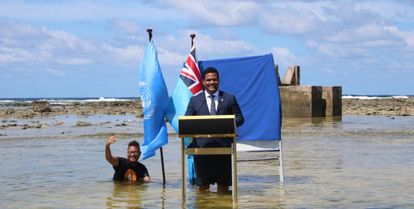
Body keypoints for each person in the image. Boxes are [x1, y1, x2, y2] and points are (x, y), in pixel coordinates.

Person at [185, 67, 244, 193]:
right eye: (209, 80)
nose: (212, 82)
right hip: (201, 150)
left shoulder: (229, 98)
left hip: (223, 150)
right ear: (203, 82)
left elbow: (240, 118)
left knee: (223, 189)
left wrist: (228, 124)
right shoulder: (195, 100)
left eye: (214, 79)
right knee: (202, 190)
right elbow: (187, 120)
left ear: (218, 81)